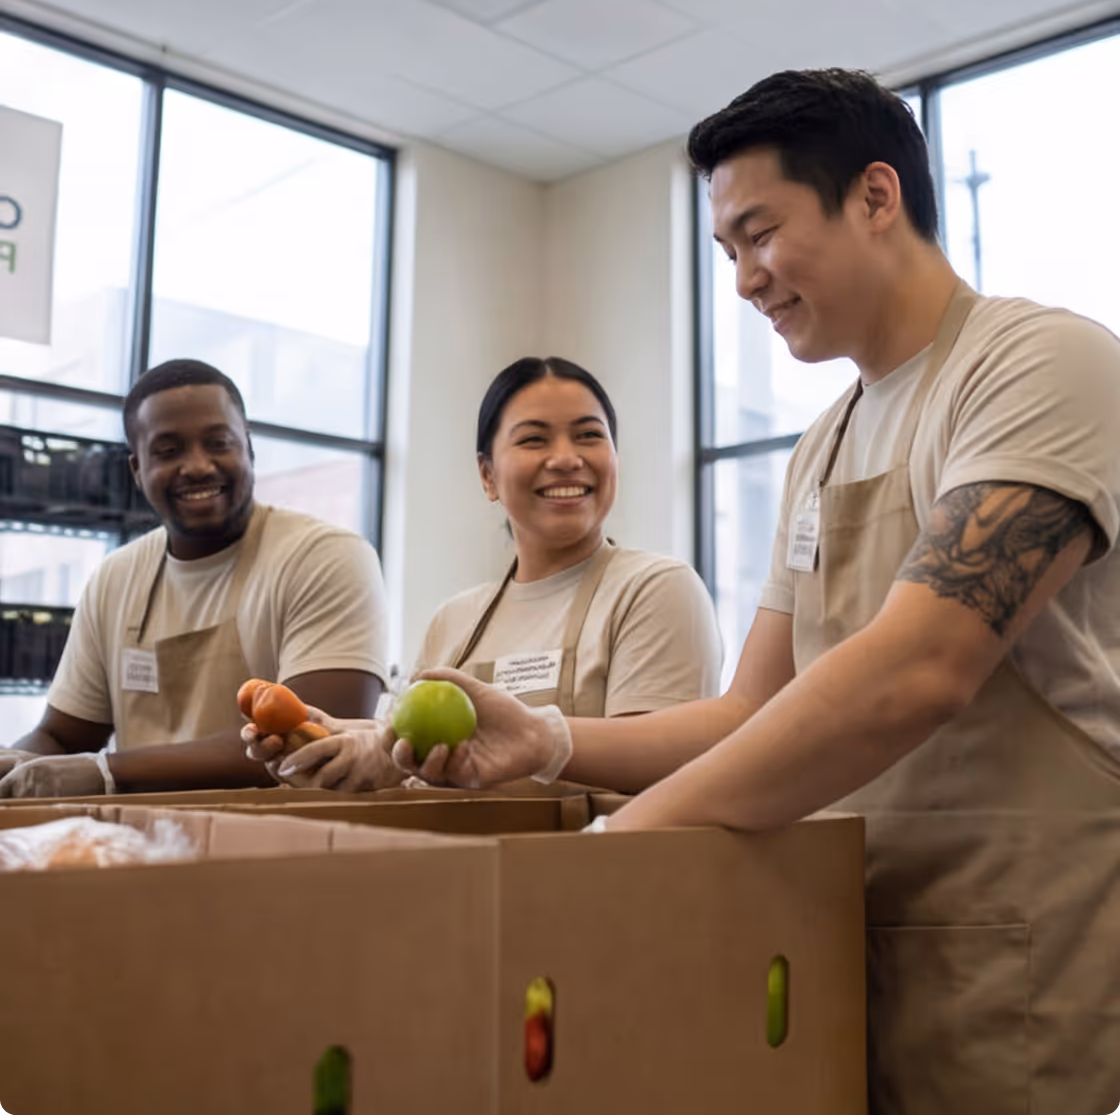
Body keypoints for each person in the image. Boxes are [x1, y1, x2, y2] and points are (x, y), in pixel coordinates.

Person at [381, 72, 1120, 1113]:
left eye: (758, 234)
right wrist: (549, 744)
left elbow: (920, 668)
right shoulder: (819, 447)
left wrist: (615, 846)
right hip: (844, 939)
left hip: (1030, 950)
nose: (742, 281)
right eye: (726, 253)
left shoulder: (1039, 365)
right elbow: (748, 713)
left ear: (873, 196)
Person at [252, 356, 722, 791]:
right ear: (487, 475)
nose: (565, 458)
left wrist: (540, 743)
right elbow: (408, 757)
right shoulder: (454, 620)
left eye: (589, 435)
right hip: (462, 872)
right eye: (534, 439)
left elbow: (659, 772)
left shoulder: (655, 590)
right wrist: (338, 739)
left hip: (594, 872)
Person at [0, 359, 389, 798]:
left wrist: (105, 771)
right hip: (139, 849)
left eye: (218, 443)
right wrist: (17, 764)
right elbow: (61, 738)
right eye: (168, 451)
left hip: (284, 849)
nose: (198, 466)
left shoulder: (324, 556)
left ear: (249, 448)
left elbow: (312, 740)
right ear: (137, 470)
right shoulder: (116, 576)